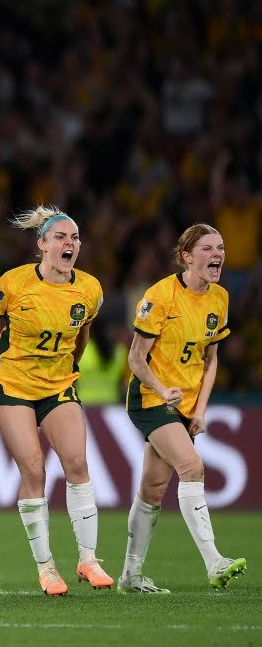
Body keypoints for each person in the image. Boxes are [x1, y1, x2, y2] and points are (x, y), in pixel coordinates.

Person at [0, 206, 111, 596]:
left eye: (75, 238)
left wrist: (69, 367)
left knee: (77, 463)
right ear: (42, 245)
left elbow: (82, 334)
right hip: (12, 384)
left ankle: (88, 559)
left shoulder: (89, 290)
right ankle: (46, 567)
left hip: (57, 384)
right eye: (60, 237)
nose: (69, 244)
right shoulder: (13, 284)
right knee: (34, 470)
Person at [119, 224, 246, 592]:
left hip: (185, 404)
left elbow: (211, 359)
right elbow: (136, 358)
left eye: (220, 247)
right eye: (207, 248)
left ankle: (130, 576)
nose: (217, 254)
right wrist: (162, 389)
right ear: (187, 256)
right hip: (151, 399)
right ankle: (214, 561)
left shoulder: (219, 299)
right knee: (191, 466)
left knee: (153, 490)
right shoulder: (160, 296)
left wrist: (200, 409)